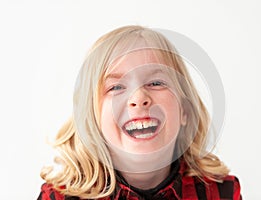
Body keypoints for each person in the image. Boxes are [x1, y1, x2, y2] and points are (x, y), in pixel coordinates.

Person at [38, 25, 242, 200]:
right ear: (92, 118)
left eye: (156, 83)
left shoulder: (220, 192)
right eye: (116, 87)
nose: (138, 98)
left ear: (184, 111)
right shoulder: (61, 196)